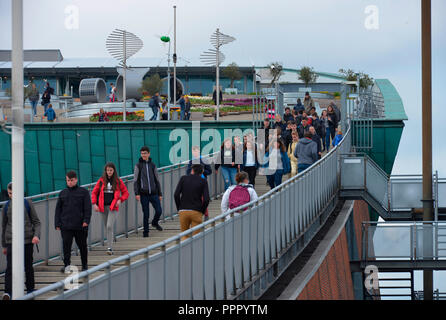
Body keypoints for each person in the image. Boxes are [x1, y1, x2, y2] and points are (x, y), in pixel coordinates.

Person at [2, 182, 41, 300]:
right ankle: (8, 293)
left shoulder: (27, 203)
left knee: (28, 266)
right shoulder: (6, 206)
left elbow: (37, 222)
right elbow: (4, 226)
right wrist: (4, 245)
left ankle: (30, 289)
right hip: (11, 242)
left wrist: (36, 235)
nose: (11, 195)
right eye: (9, 193)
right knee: (10, 268)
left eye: (14, 193)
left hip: (27, 240)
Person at [55, 171, 91, 273]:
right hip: (66, 225)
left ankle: (84, 265)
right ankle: (67, 265)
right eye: (68, 180)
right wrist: (57, 223)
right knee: (66, 247)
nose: (69, 182)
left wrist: (86, 220)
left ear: (76, 180)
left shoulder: (83, 192)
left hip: (80, 225)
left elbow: (87, 208)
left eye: (71, 180)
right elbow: (58, 209)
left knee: (82, 246)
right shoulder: (63, 193)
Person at [91, 162, 129, 255]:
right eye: (107, 170)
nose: (109, 172)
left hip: (113, 207)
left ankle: (110, 248)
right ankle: (110, 246)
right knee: (107, 227)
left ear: (114, 171)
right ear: (105, 171)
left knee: (109, 226)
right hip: (102, 207)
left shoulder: (118, 181)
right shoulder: (101, 181)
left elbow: (126, 193)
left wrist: (120, 200)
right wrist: (94, 204)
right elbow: (94, 193)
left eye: (111, 170)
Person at [174, 164, 210, 240]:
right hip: (196, 211)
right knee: (196, 237)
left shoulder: (183, 178)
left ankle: (185, 251)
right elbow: (206, 199)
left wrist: (179, 208)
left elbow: (176, 194)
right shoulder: (203, 181)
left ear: (192, 170)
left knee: (184, 235)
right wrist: (202, 211)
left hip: (183, 210)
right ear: (202, 172)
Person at [134, 146, 163, 237]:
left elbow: (157, 180)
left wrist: (160, 193)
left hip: (154, 193)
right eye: (142, 153)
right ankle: (145, 232)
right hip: (143, 194)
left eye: (145, 153)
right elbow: (135, 180)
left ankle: (155, 222)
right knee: (146, 213)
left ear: (149, 154)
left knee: (159, 210)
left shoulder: (153, 165)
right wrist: (137, 193)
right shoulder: (138, 165)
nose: (143, 155)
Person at [186, 146, 212, 221]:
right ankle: (197, 215)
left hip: (202, 183)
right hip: (193, 183)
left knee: (204, 199)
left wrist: (203, 171)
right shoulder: (191, 161)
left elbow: (210, 171)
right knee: (195, 200)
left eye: (196, 151)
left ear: (199, 151)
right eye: (193, 152)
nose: (195, 153)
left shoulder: (204, 160)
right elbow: (187, 172)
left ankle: (206, 215)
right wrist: (191, 173)